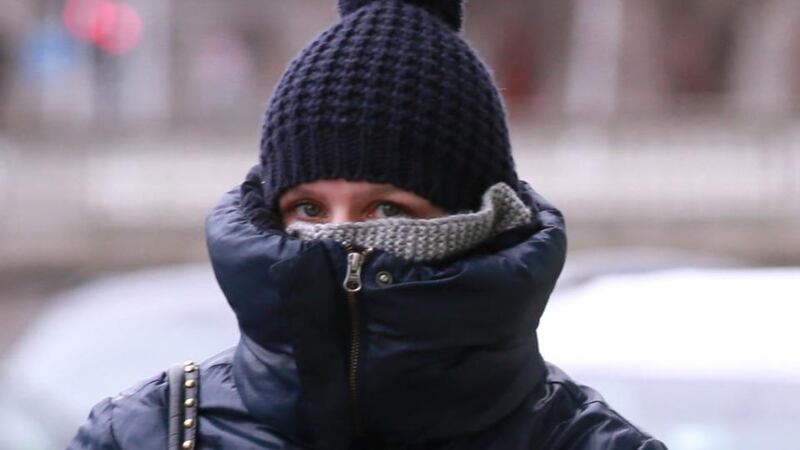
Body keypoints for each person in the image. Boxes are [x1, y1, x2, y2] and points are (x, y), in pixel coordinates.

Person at [69, 1, 668, 449]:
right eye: (307, 208)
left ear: (472, 222)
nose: (337, 237)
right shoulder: (145, 434)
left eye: (387, 209)